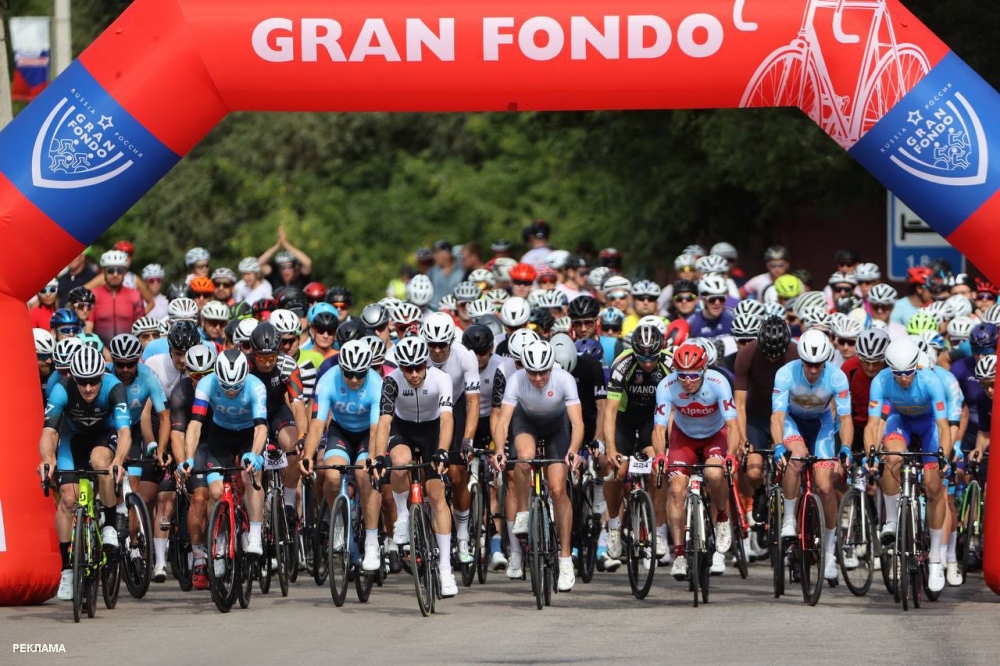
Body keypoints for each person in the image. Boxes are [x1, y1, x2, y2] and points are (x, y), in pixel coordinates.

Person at [369, 336, 459, 597]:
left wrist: (442, 451)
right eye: (408, 369)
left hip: (432, 430)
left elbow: (447, 419)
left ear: (426, 363)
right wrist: (378, 456)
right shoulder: (391, 381)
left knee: (436, 495)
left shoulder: (441, 379)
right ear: (400, 367)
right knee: (399, 462)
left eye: (418, 367)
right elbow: (384, 422)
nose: (414, 374)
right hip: (403, 429)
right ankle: (402, 516)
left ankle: (445, 570)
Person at [38, 346, 131, 600]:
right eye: (82, 382)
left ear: (102, 376)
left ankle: (109, 525)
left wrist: (118, 460)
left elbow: (124, 432)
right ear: (73, 377)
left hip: (104, 436)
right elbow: (49, 432)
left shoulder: (114, 387)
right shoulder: (62, 389)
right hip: (72, 439)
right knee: (68, 500)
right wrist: (48, 460)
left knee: (102, 461)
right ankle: (67, 570)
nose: (88, 388)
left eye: (93, 381)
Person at [491, 339, 584, 592]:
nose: (538, 378)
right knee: (524, 458)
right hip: (526, 423)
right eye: (532, 372)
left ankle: (565, 559)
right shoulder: (516, 380)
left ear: (551, 367)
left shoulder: (564, 380)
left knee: (557, 489)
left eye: (543, 372)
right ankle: (523, 512)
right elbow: (503, 422)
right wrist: (499, 450)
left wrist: (573, 451)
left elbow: (577, 423)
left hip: (557, 428)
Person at [864, 337, 952, 593]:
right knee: (892, 457)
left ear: (916, 366)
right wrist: (872, 454)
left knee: (933, 487)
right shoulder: (880, 381)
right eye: (898, 373)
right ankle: (891, 521)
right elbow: (872, 425)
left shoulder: (931, 382)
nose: (903, 378)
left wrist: (944, 457)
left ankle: (934, 559)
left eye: (908, 373)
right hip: (899, 421)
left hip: (928, 427)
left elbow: (943, 427)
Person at [771, 329, 853, 583]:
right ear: (801, 360)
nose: (813, 370)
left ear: (826, 361)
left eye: (818, 365)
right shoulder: (785, 373)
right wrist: (778, 444)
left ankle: (829, 554)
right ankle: (789, 520)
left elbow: (845, 418)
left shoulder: (837, 377)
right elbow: (778, 415)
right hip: (792, 421)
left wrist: (846, 447)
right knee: (796, 459)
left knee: (825, 487)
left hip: (821, 424)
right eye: (808, 364)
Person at [653, 341, 740, 579]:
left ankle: (722, 517)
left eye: (693, 375)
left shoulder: (718, 382)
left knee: (714, 473)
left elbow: (732, 425)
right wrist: (660, 454)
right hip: (684, 437)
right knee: (677, 490)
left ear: (704, 370)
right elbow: (659, 429)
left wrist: (731, 455)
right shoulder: (667, 385)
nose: (687, 381)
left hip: (715, 435)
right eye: (682, 375)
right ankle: (680, 554)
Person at [300, 340, 383, 570]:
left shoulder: (377, 384)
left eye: (360, 374)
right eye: (349, 373)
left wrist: (373, 457)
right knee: (331, 475)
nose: (354, 379)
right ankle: (337, 523)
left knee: (366, 476)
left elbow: (376, 429)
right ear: (341, 368)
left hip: (367, 434)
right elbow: (317, 424)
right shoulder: (328, 380)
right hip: (341, 431)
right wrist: (307, 455)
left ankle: (372, 541)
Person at [180, 350, 269, 557]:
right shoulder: (206, 384)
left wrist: (255, 454)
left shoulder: (256, 386)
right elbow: (195, 425)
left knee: (250, 476)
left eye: (236, 387)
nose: (230, 391)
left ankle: (255, 534)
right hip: (220, 434)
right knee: (216, 492)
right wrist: (189, 458)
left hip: (249, 434)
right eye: (225, 386)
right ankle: (218, 538)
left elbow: (261, 428)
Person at [604, 325, 672, 570]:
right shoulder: (622, 365)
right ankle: (614, 526)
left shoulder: (669, 364)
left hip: (652, 419)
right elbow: (610, 412)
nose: (648, 363)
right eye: (642, 358)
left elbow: (673, 410)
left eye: (652, 357)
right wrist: (611, 448)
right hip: (624, 417)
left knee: (657, 469)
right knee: (616, 471)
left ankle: (659, 533)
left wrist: (667, 447)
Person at [168, 344, 217, 589]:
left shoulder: (223, 386)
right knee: (199, 497)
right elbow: (177, 434)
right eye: (195, 375)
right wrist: (181, 464)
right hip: (195, 444)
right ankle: (198, 556)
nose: (200, 380)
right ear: (188, 372)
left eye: (206, 374)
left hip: (219, 442)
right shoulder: (181, 392)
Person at [90, 250, 144, 346]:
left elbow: (141, 330)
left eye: (119, 270)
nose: (115, 274)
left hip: (130, 350)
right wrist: (102, 350)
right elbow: (88, 329)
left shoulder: (135, 295)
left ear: (125, 273)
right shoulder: (94, 295)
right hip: (99, 350)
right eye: (110, 270)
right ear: (103, 272)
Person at [258, 225, 313, 290]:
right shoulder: (275, 277)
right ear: (278, 269)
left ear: (295, 267)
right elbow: (259, 263)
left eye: (289, 267)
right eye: (282, 267)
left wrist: (285, 244)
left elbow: (308, 263)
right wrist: (277, 246)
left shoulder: (301, 277)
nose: (286, 271)